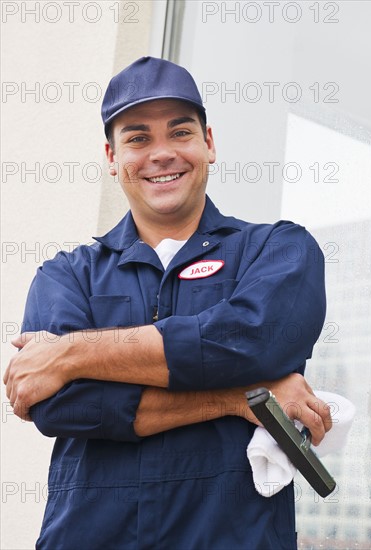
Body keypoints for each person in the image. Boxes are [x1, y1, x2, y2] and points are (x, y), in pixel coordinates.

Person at [4, 56, 330, 549]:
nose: (161, 154)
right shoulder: (66, 274)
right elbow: (59, 406)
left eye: (180, 132)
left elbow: (250, 341)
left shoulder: (279, 250)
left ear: (209, 144)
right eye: (137, 138)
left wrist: (70, 353)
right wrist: (234, 398)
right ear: (113, 158)